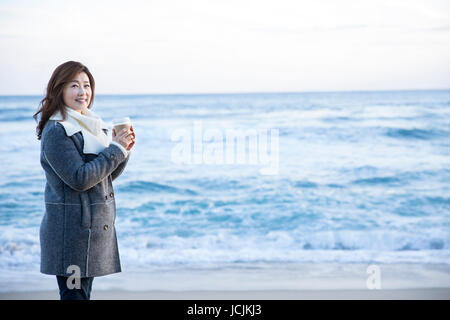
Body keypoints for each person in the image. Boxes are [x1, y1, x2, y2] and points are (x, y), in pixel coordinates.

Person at [33, 61, 135, 300]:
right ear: (59, 90)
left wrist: (124, 150)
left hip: (88, 234)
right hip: (70, 238)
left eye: (86, 85)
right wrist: (116, 149)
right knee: (74, 296)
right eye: (74, 85)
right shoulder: (57, 131)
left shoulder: (90, 126)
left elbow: (103, 178)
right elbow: (80, 179)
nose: (82, 92)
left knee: (79, 296)